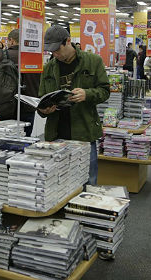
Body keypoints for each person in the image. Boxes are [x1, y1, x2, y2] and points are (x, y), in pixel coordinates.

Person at [37, 25, 110, 185]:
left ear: (68, 41)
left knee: (88, 180)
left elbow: (105, 91)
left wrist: (87, 94)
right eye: (51, 51)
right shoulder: (49, 68)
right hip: (56, 133)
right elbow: (42, 97)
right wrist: (44, 110)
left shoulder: (93, 61)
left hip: (83, 131)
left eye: (57, 49)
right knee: (57, 182)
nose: (55, 54)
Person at [0, 29, 41, 137]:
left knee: (7, 140)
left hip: (7, 104)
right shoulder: (35, 56)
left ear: (11, 41)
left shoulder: (2, 55)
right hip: (29, 104)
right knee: (26, 138)